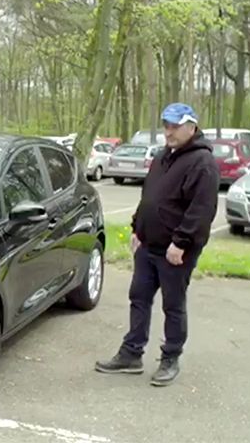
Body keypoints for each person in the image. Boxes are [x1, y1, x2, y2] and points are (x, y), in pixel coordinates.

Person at [95, 102, 220, 386]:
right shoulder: (164, 156)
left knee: (173, 305)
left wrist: (181, 243)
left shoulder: (203, 163)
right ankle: (131, 353)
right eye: (166, 126)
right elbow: (149, 197)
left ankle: (170, 357)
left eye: (175, 126)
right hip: (148, 245)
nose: (169, 132)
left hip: (176, 251)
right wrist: (136, 229)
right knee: (138, 297)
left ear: (192, 127)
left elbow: (202, 211)